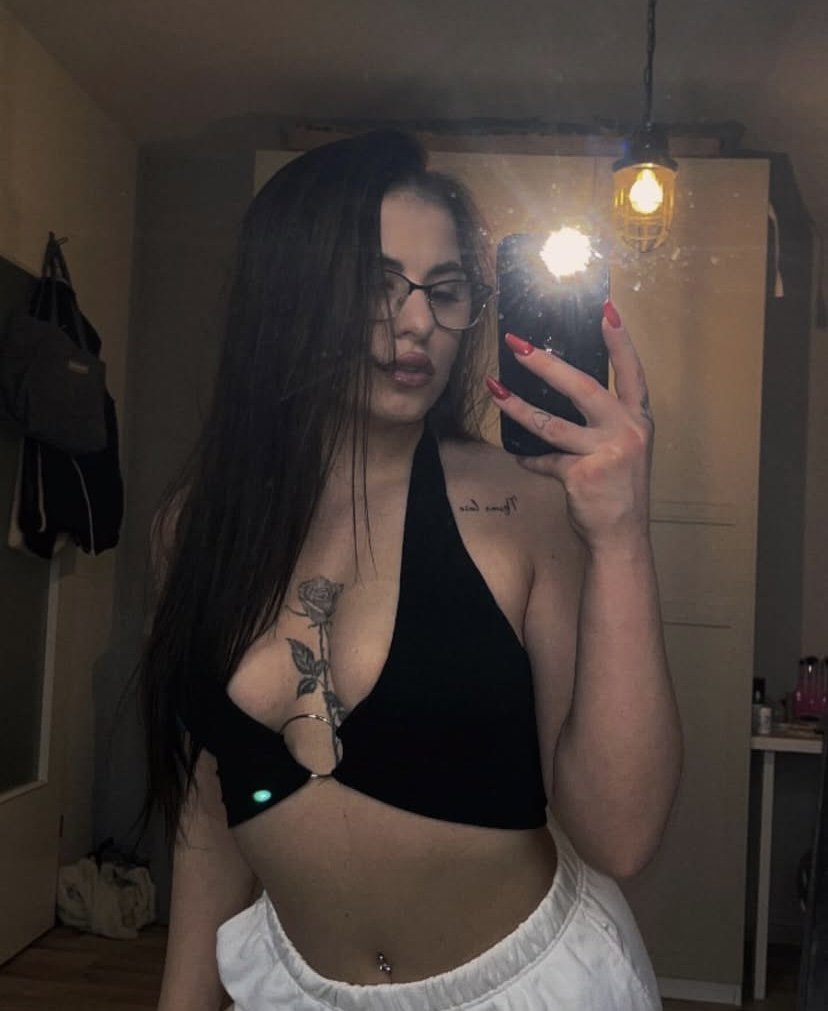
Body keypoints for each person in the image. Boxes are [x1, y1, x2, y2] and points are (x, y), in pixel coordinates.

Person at [141, 129, 681, 1011]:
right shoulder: (195, 526)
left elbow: (620, 833)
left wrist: (621, 534)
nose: (419, 320)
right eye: (376, 284)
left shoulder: (523, 504)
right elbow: (215, 797)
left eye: (445, 289)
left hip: (529, 988)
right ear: (288, 293)